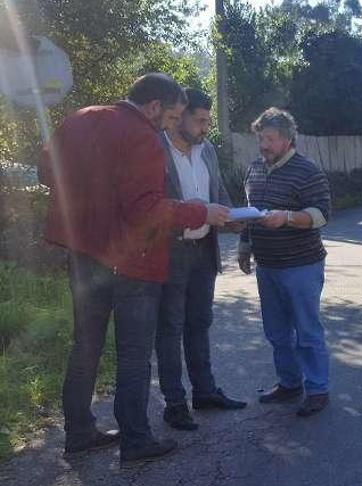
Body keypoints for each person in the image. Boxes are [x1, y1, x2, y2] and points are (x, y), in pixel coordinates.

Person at [38, 74, 230, 463]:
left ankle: (78, 431)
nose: (170, 126)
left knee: (86, 346)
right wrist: (201, 211)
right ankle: (136, 439)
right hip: (131, 259)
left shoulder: (79, 118)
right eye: (172, 116)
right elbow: (146, 211)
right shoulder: (141, 135)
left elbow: (46, 173)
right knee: (133, 352)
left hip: (83, 253)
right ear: (155, 106)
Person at [155, 88, 246, 432]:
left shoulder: (206, 149)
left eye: (208, 120)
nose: (206, 127)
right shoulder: (156, 148)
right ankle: (174, 404)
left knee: (200, 324)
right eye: (201, 120)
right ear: (179, 117)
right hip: (170, 253)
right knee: (170, 329)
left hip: (204, 252)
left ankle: (205, 393)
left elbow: (217, 192)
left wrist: (234, 217)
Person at [237, 107, 332, 417]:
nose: (264, 145)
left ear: (288, 140)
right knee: (277, 332)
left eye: (271, 139)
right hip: (267, 266)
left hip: (302, 266)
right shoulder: (254, 169)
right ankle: (289, 383)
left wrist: (288, 218)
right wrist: (244, 246)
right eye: (261, 138)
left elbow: (321, 215)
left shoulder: (307, 171)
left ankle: (317, 389)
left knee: (307, 331)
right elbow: (251, 214)